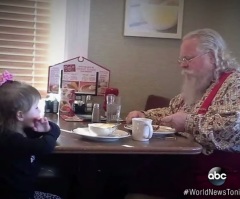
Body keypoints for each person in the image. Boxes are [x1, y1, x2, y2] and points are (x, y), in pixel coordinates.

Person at [125, 28, 240, 199]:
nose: (182, 64)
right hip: (187, 166)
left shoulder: (235, 84)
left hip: (219, 175)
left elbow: (233, 127)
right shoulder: (200, 84)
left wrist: (188, 122)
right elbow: (172, 111)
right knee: (123, 174)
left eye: (188, 58)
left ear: (212, 56)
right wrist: (143, 116)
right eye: (181, 59)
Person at [0, 73, 61, 199]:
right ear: (20, 115)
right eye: (36, 107)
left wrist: (46, 128)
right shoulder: (8, 139)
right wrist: (49, 132)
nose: (39, 111)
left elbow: (54, 128)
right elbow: (44, 146)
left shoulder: (23, 130)